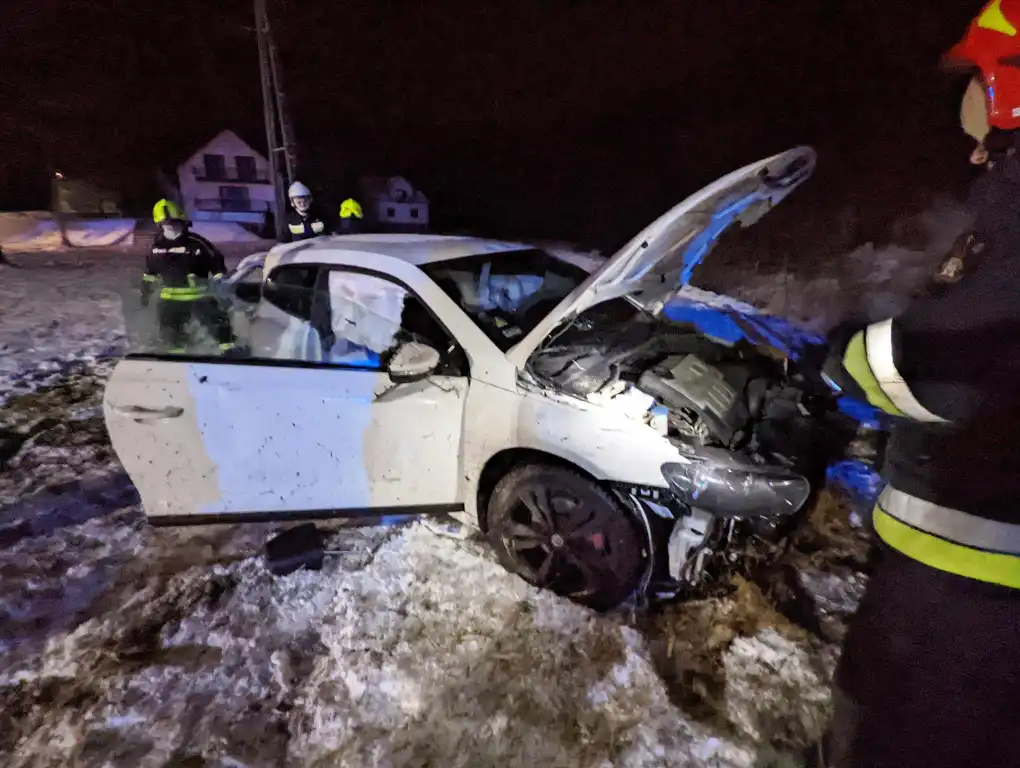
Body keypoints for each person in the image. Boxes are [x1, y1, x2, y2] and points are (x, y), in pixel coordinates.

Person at [820, 4, 1020, 766]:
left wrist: (841, 359)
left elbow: (947, 358)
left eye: (975, 77)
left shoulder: (1017, 204)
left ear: (1008, 88)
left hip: (966, 592)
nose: (965, 100)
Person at [143, 199, 235, 353]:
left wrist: (221, 284)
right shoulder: (156, 247)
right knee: (171, 333)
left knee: (219, 326)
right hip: (170, 301)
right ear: (159, 226)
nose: (171, 228)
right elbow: (150, 272)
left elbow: (216, 264)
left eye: (174, 223)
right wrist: (145, 291)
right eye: (166, 225)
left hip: (201, 297)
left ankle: (230, 352)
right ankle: (178, 360)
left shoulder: (197, 243)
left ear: (182, 222)